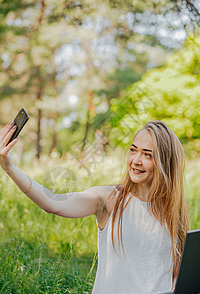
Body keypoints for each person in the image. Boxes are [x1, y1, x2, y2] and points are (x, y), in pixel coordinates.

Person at [0, 120, 190, 294]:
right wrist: (10, 168)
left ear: (166, 163)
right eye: (133, 150)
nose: (136, 160)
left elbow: (176, 277)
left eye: (147, 155)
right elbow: (52, 203)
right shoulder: (110, 199)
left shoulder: (174, 210)